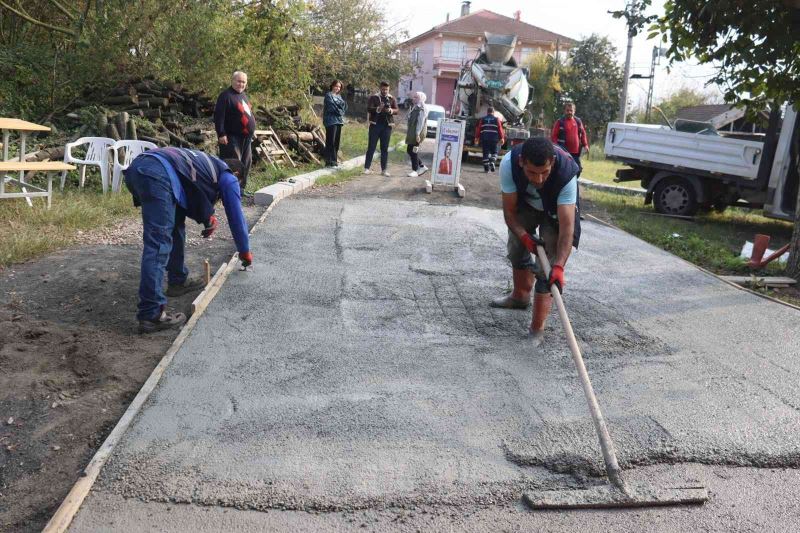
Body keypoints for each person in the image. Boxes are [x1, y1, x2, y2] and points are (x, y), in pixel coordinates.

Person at [124, 147, 253, 334]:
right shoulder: (228, 176)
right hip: (157, 174)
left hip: (139, 168)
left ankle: (177, 280)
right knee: (159, 243)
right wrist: (244, 251)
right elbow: (236, 216)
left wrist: (207, 218)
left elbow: (191, 196)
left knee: (176, 225)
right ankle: (151, 314)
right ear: (236, 173)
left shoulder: (203, 165)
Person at [490, 137, 580, 344]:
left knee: (546, 269)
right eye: (532, 173)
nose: (538, 180)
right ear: (522, 162)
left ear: (553, 163)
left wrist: (559, 267)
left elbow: (567, 228)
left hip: (554, 213)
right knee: (516, 249)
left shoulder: (566, 175)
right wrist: (524, 237)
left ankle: (536, 330)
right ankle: (520, 297)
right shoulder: (509, 164)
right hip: (526, 205)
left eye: (544, 173)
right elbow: (510, 213)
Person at [214, 71, 256, 194]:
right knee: (233, 164)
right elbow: (219, 116)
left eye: (243, 82)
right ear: (232, 80)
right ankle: (229, 191)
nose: (241, 84)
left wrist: (252, 129)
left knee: (246, 163)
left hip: (246, 138)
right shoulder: (225, 96)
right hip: (232, 137)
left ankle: (241, 189)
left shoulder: (243, 96)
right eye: (238, 81)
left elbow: (248, 115)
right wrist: (221, 133)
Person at [364, 81, 398, 177]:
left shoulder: (392, 98)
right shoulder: (374, 97)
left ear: (389, 89)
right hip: (375, 125)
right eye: (383, 89)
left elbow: (397, 110)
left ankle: (384, 170)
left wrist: (390, 110)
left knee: (384, 148)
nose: (384, 91)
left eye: (386, 89)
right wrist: (378, 108)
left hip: (387, 126)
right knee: (371, 147)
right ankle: (366, 168)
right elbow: (369, 108)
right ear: (380, 88)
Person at [551, 101, 588, 176]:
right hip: (563, 152)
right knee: (563, 170)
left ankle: (574, 182)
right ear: (565, 111)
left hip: (575, 152)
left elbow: (583, 133)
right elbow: (554, 136)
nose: (569, 112)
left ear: (574, 111)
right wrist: (556, 148)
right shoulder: (560, 122)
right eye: (567, 110)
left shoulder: (578, 121)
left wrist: (586, 145)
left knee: (577, 170)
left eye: (571, 110)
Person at [323, 79, 347, 167]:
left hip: (339, 121)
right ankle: (328, 161)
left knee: (336, 142)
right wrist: (340, 110)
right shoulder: (328, 95)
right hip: (330, 121)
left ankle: (334, 160)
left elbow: (344, 107)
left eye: (339, 87)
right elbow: (332, 108)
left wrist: (340, 109)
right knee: (331, 141)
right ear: (332, 86)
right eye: (336, 86)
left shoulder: (339, 97)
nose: (337, 88)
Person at [474, 106, 505, 173]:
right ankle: (492, 161)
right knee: (495, 152)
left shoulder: (483, 119)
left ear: (487, 112)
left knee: (485, 153)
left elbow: (479, 129)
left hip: (485, 139)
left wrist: (477, 137)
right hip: (494, 139)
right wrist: (502, 138)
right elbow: (500, 129)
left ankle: (486, 169)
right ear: (493, 112)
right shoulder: (497, 119)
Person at [405, 91, 429, 178]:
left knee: (414, 151)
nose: (413, 98)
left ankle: (415, 170)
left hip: (417, 132)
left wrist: (417, 134)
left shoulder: (422, 108)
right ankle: (422, 166)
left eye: (416, 97)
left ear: (421, 99)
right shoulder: (415, 107)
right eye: (414, 97)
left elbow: (420, 122)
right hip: (413, 132)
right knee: (409, 150)